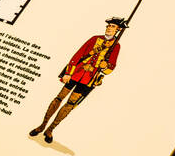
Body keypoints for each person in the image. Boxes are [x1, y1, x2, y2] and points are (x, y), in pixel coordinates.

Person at [29, 16, 124, 144]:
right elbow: (78, 54)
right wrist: (68, 73)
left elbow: (112, 65)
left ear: (117, 30)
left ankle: (50, 130)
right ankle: (42, 126)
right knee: (59, 98)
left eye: (113, 26)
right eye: (109, 26)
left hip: (89, 79)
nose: (109, 28)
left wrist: (105, 66)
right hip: (76, 73)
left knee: (70, 104)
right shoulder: (95, 39)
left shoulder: (116, 46)